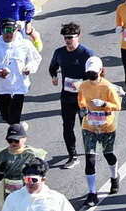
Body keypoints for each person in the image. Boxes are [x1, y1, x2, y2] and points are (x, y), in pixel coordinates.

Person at [76, 56, 121, 206]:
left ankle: (114, 176)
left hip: (106, 125)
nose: (91, 75)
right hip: (89, 126)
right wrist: (83, 109)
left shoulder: (107, 87)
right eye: (89, 72)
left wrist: (103, 104)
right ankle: (92, 193)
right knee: (90, 160)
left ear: (101, 70)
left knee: (108, 154)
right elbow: (81, 100)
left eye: (94, 72)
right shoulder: (83, 86)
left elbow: (117, 105)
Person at [0, 20, 42, 126]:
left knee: (14, 119)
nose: (8, 34)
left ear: (16, 31)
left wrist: (29, 68)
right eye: (6, 31)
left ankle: (18, 136)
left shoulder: (24, 44)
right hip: (2, 88)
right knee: (6, 117)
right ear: (1, 31)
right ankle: (19, 131)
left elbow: (35, 59)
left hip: (19, 87)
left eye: (11, 31)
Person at [48, 22, 92, 166]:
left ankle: (89, 152)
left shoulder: (86, 54)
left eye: (71, 37)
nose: (68, 40)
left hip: (83, 98)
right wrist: (54, 76)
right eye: (66, 38)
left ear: (78, 36)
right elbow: (52, 67)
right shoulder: (59, 53)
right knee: (67, 127)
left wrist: (83, 84)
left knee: (85, 126)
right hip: (67, 97)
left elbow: (97, 73)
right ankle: (72, 156)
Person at [0, 158, 75, 211]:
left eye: (34, 180)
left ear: (43, 179)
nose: (30, 183)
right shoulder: (13, 198)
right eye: (27, 179)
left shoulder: (56, 198)